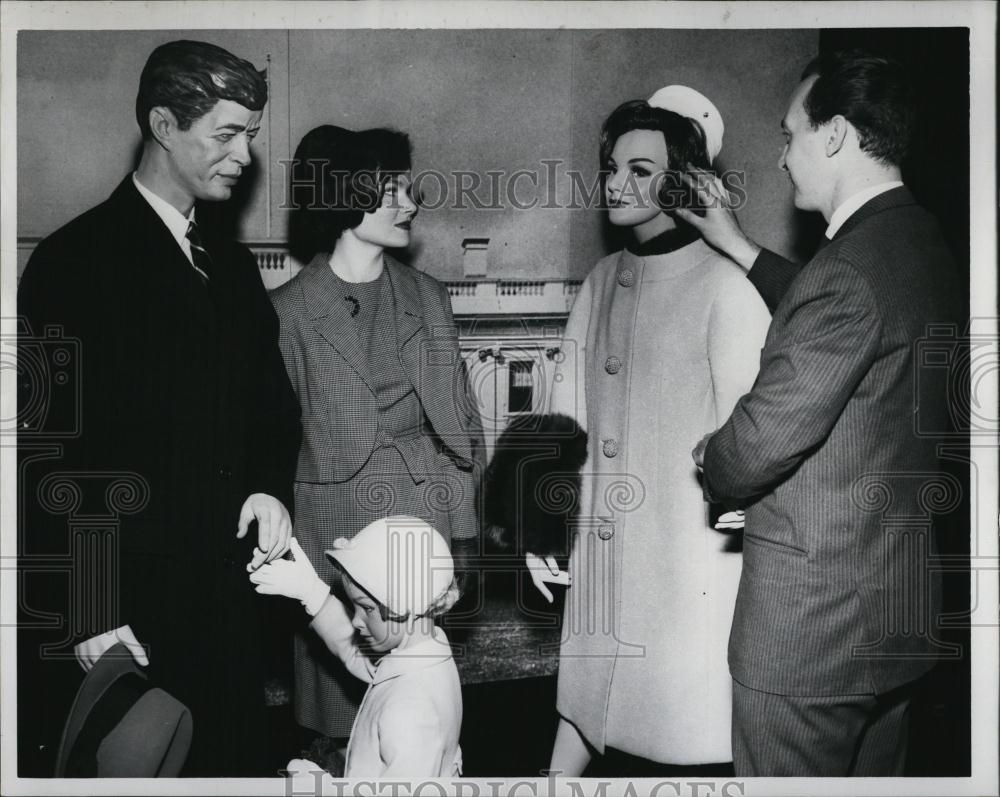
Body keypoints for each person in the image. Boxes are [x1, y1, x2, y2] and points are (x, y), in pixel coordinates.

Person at [17, 40, 301, 776]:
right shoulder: (72, 263)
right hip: (128, 611)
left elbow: (271, 405)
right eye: (228, 133)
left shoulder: (233, 268)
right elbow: (53, 451)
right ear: (165, 124)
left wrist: (269, 484)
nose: (244, 155)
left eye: (251, 135)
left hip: (228, 601)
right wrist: (87, 608)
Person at [690, 52, 961, 776]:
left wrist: (708, 455)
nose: (781, 159)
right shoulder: (921, 242)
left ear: (835, 134)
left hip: (811, 640)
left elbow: (751, 450)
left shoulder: (844, 273)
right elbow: (848, 315)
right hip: (892, 622)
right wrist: (738, 244)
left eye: (789, 135)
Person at [533, 87, 771, 774]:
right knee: (584, 718)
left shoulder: (729, 287)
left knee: (677, 748)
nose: (615, 182)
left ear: (682, 179)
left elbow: (752, 446)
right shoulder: (602, 279)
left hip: (687, 572)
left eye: (640, 169)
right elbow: (564, 420)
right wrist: (548, 521)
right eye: (611, 166)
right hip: (604, 565)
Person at [271, 125, 483, 746]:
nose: (409, 203)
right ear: (341, 194)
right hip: (337, 543)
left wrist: (463, 540)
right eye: (389, 189)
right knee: (342, 735)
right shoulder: (286, 312)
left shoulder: (429, 299)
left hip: (425, 536)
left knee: (419, 723)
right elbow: (274, 442)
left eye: (406, 187)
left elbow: (462, 427)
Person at [249, 518, 463, 778]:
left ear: (407, 605)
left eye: (367, 608)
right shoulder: (426, 652)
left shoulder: (411, 712)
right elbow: (356, 653)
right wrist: (312, 592)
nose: (355, 619)